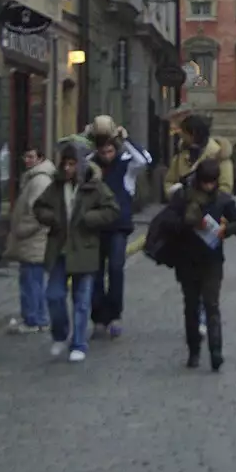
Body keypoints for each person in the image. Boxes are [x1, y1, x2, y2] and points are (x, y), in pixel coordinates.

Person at [34, 143, 119, 363]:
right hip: (60, 249)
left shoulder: (94, 187)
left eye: (72, 164)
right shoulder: (55, 186)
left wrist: (91, 219)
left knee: (82, 300)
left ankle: (79, 342)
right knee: (53, 295)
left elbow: (112, 210)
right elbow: (39, 207)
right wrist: (49, 217)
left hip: (85, 249)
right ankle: (60, 334)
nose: (68, 168)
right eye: (66, 164)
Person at [171, 156, 236, 371]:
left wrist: (226, 230)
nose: (208, 186)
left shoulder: (222, 200)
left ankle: (216, 351)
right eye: (205, 182)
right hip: (187, 260)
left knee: (212, 305)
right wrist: (189, 222)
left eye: (212, 182)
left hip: (212, 261)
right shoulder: (183, 197)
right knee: (192, 306)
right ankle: (194, 351)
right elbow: (169, 223)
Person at [86, 114, 152, 339]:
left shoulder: (126, 166)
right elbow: (78, 159)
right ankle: (98, 318)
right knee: (94, 273)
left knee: (115, 269)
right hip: (93, 226)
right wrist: (89, 138)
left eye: (110, 151)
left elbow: (145, 160)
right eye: (102, 152)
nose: (106, 156)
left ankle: (114, 315)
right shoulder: (90, 166)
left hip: (118, 226)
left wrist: (125, 139)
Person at [6, 144, 54, 333]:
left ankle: (33, 319)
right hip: (35, 240)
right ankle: (39, 318)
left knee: (31, 281)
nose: (27, 160)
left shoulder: (39, 181)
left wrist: (22, 230)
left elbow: (38, 212)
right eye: (25, 157)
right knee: (35, 280)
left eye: (31, 157)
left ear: (40, 158)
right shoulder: (36, 178)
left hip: (33, 240)